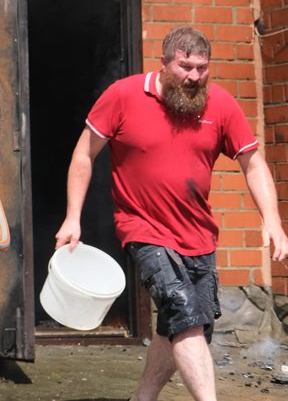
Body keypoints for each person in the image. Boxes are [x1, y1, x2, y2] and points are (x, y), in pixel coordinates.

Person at [55, 26, 288, 401]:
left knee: (180, 324)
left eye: (202, 68)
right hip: (143, 228)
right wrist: (72, 217)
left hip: (199, 236)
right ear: (163, 63)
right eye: (185, 67)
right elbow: (84, 155)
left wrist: (273, 220)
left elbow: (254, 164)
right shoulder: (124, 95)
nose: (195, 77)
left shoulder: (220, 106)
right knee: (183, 312)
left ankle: (143, 397)